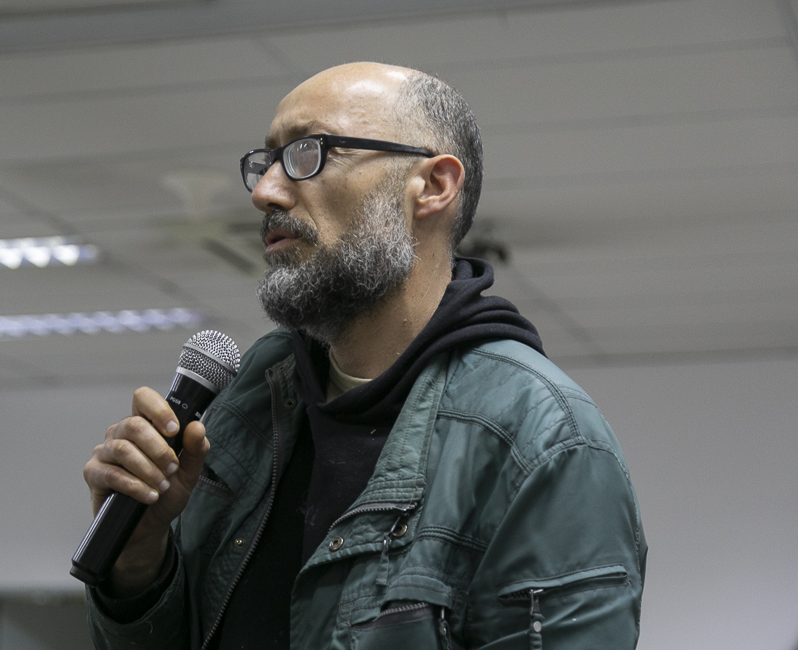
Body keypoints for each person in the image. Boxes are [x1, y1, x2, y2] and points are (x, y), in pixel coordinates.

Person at [82, 62, 646, 649]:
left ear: (432, 186)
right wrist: (137, 562)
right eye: (266, 162)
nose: (264, 192)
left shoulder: (542, 439)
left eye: (308, 153)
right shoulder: (250, 397)